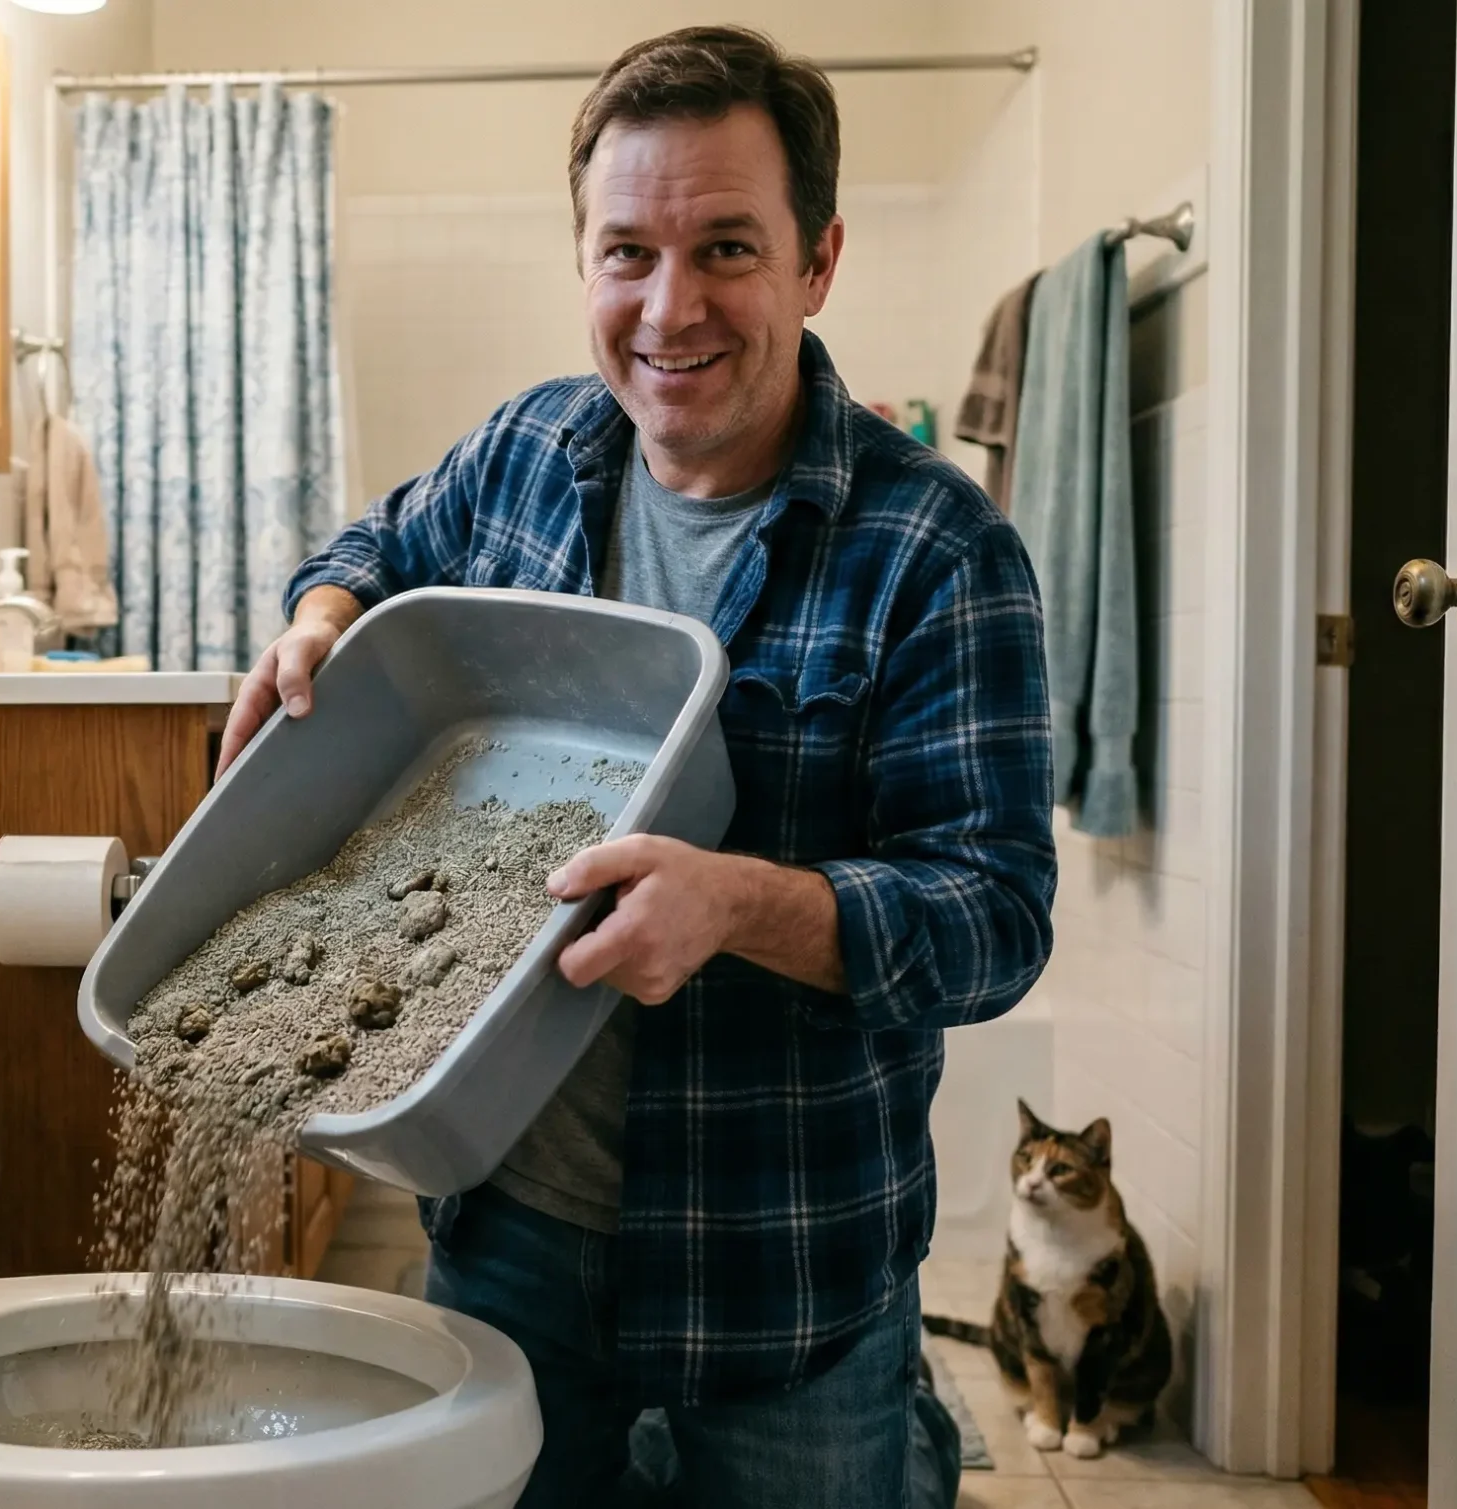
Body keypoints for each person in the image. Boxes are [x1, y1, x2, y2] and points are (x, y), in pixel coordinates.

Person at [215, 25, 1052, 1508]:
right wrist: (319, 617)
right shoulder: (535, 449)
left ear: (819, 261)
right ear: (586, 259)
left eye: (727, 247)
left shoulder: (937, 548)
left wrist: (738, 905)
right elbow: (381, 541)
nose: (672, 309)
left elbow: (993, 917)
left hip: (782, 1262)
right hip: (510, 1230)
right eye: (628, 253)